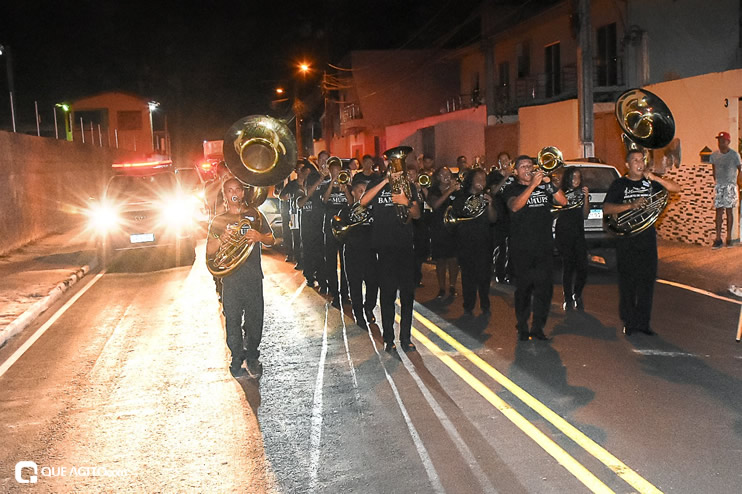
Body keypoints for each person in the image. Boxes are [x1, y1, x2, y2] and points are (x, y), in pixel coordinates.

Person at [603, 149, 681, 336]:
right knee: (628, 283)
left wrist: (655, 178)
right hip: (626, 239)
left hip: (647, 238)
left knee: (647, 282)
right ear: (628, 165)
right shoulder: (619, 184)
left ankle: (643, 323)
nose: (639, 163)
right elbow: (606, 208)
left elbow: (676, 188)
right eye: (635, 160)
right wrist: (631, 205)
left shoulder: (651, 182)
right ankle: (629, 322)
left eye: (642, 160)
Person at [206, 178, 274, 378]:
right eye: (229, 190)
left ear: (243, 192)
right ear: (225, 195)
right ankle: (236, 356)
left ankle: (252, 356)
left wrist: (259, 237)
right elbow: (209, 251)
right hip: (231, 279)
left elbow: (272, 239)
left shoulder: (255, 215)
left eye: (237, 189)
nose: (233, 193)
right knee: (232, 320)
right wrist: (221, 239)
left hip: (253, 277)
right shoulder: (218, 220)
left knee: (255, 320)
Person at [503, 155, 567, 341]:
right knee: (524, 288)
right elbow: (515, 207)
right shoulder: (511, 189)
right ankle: (522, 325)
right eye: (522, 166)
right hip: (522, 247)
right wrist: (532, 186)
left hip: (544, 246)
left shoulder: (544, 187)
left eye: (530, 166)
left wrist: (548, 183)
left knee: (544, 289)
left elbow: (563, 202)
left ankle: (538, 327)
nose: (527, 169)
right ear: (515, 172)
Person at [360, 167, 422, 352]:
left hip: (404, 247)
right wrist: (385, 182)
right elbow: (363, 202)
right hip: (384, 247)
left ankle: (406, 338)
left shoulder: (409, 186)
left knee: (407, 296)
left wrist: (406, 202)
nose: (396, 173)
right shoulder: (376, 184)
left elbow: (417, 214)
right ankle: (389, 338)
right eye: (392, 169)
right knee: (387, 295)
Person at [452, 169, 497, 316]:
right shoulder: (461, 197)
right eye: (479, 178)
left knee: (484, 276)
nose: (482, 182)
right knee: (468, 276)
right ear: (471, 180)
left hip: (484, 240)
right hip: (465, 241)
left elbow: (493, 219)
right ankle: (468, 305)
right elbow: (456, 217)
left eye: (484, 179)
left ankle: (485, 303)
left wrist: (490, 204)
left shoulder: (486, 197)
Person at [339, 181, 379, 328]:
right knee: (354, 285)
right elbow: (339, 231)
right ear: (354, 193)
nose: (363, 192)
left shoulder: (373, 210)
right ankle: (358, 314)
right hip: (352, 252)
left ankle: (369, 308)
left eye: (365, 190)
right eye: (360, 190)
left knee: (373, 283)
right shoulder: (346, 211)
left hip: (370, 253)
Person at [554, 167, 590, 311]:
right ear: (568, 178)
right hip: (564, 232)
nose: (576, 180)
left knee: (583, 266)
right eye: (573, 177)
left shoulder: (582, 193)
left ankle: (578, 293)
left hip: (578, 232)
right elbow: (556, 206)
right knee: (568, 266)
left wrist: (586, 197)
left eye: (579, 177)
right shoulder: (561, 191)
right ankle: (567, 298)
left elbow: (586, 214)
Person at [321, 158, 353, 308]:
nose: (336, 174)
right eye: (333, 172)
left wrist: (345, 188)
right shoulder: (325, 186)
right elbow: (325, 200)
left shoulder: (346, 185)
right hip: (329, 229)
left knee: (346, 263)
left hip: (344, 229)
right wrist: (331, 183)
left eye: (338, 172)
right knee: (331, 264)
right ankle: (334, 293)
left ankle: (345, 294)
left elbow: (352, 203)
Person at [427, 167, 460, 298]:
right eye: (443, 174)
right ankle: (442, 288)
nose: (446, 176)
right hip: (439, 227)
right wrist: (450, 190)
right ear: (438, 177)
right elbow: (436, 205)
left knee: (453, 259)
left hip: (454, 228)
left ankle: (452, 286)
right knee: (441, 260)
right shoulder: (434, 190)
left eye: (448, 174)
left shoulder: (457, 189)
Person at [710, 131, 741, 249]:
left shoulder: (734, 155)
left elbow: (740, 169)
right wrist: (717, 183)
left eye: (723, 141)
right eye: (719, 141)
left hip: (730, 186)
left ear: (728, 142)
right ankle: (718, 239)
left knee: (729, 212)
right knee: (718, 211)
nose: (720, 143)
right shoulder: (714, 155)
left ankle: (729, 238)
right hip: (719, 186)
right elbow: (714, 170)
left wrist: (737, 181)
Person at [297, 166, 326, 289]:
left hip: (319, 231)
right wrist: (319, 180)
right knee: (308, 255)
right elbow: (301, 203)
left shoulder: (319, 199)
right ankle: (309, 277)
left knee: (320, 256)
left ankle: (322, 279)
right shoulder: (301, 197)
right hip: (307, 232)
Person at [488, 152, 514, 284]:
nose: (504, 161)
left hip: (513, 214)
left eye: (506, 159)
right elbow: (493, 191)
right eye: (501, 160)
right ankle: (500, 273)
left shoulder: (515, 175)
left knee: (514, 245)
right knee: (500, 246)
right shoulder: (494, 175)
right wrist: (506, 177)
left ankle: (511, 273)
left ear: (510, 160)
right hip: (499, 214)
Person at [407, 166, 431, 287]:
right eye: (409, 174)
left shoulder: (420, 187)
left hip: (421, 222)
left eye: (413, 173)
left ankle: (417, 276)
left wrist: (422, 189)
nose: (411, 176)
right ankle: (410, 276)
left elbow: (430, 202)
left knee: (420, 251)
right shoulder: (405, 188)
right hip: (409, 221)